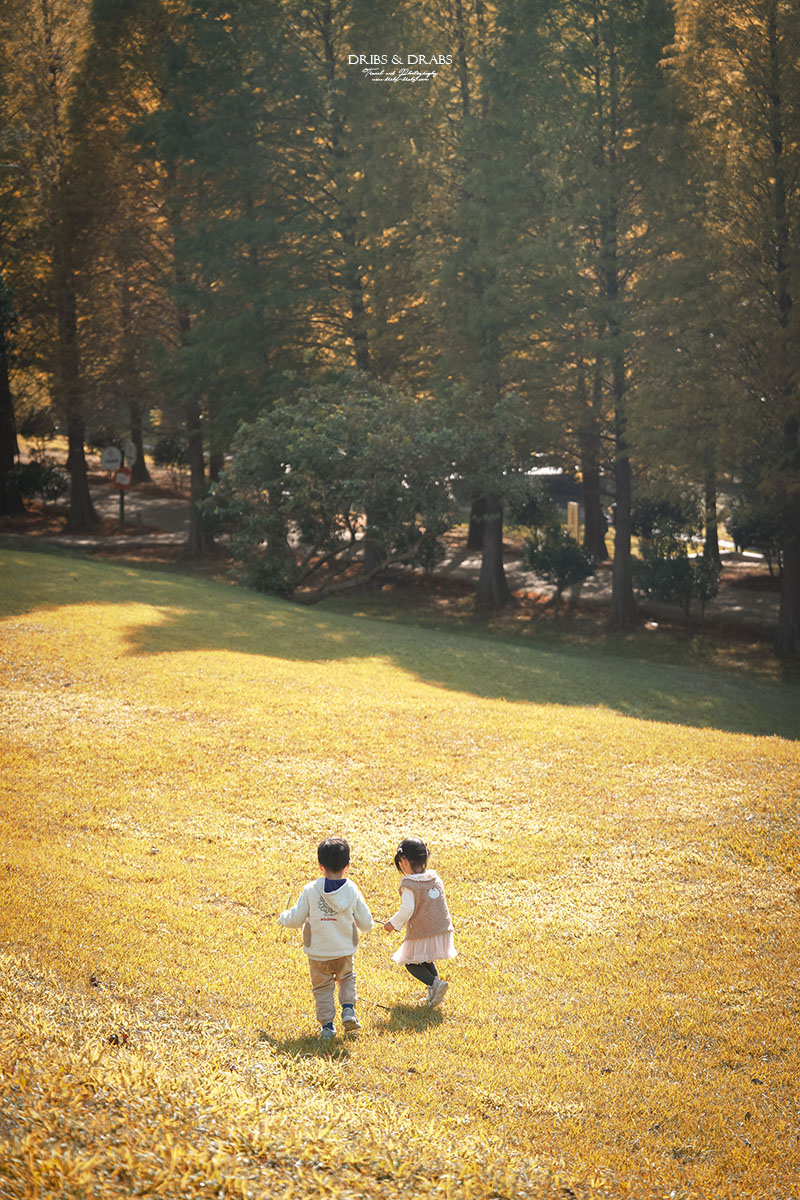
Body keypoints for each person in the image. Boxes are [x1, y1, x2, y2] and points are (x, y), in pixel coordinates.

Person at [279, 837, 374, 1039]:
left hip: (318, 952)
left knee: (322, 988)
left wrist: (283, 917)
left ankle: (327, 1027)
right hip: (344, 950)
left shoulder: (310, 890)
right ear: (347, 866)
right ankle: (348, 1009)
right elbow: (366, 924)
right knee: (347, 978)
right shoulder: (352, 890)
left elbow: (295, 919)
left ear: (320, 865)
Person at [382, 836, 456, 1007]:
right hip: (441, 928)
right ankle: (436, 990)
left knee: (409, 962)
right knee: (426, 959)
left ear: (404, 861)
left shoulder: (410, 884)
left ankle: (434, 984)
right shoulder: (434, 878)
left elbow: (407, 909)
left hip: (422, 931)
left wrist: (392, 924)